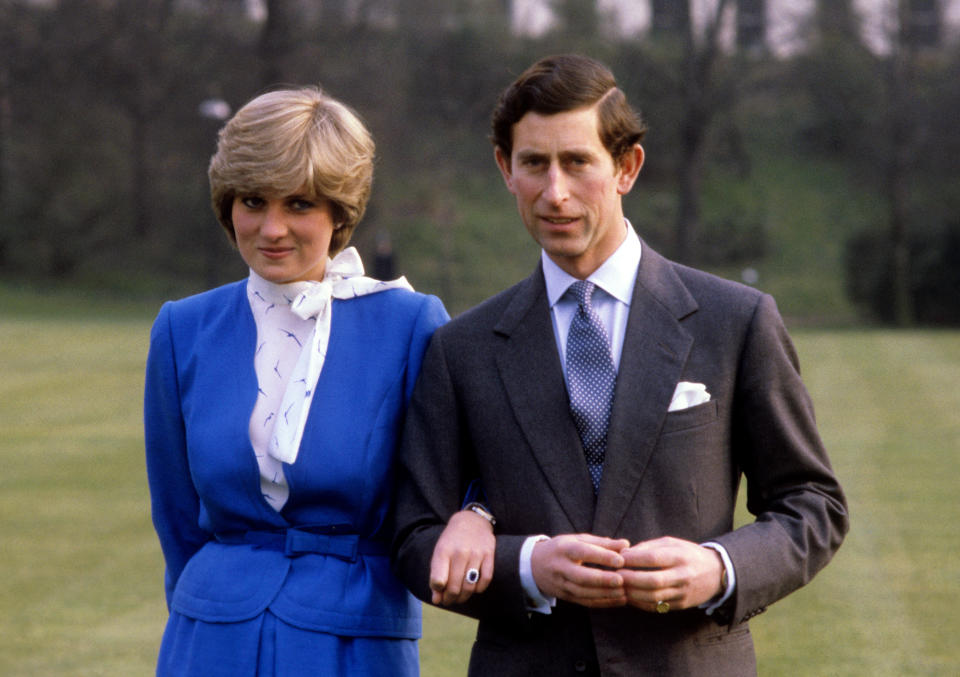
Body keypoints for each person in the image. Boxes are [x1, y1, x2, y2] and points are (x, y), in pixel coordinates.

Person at [391, 54, 849, 676]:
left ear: (626, 166)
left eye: (577, 162)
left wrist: (719, 567)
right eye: (534, 164)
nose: (555, 193)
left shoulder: (734, 321)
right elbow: (415, 538)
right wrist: (526, 566)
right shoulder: (460, 350)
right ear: (506, 168)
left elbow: (813, 503)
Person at [144, 85, 472, 676]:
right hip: (209, 642)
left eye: (299, 204)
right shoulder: (182, 329)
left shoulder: (410, 325)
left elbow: (458, 487)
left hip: (355, 643)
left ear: (339, 211)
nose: (272, 228)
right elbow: (176, 520)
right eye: (252, 201)